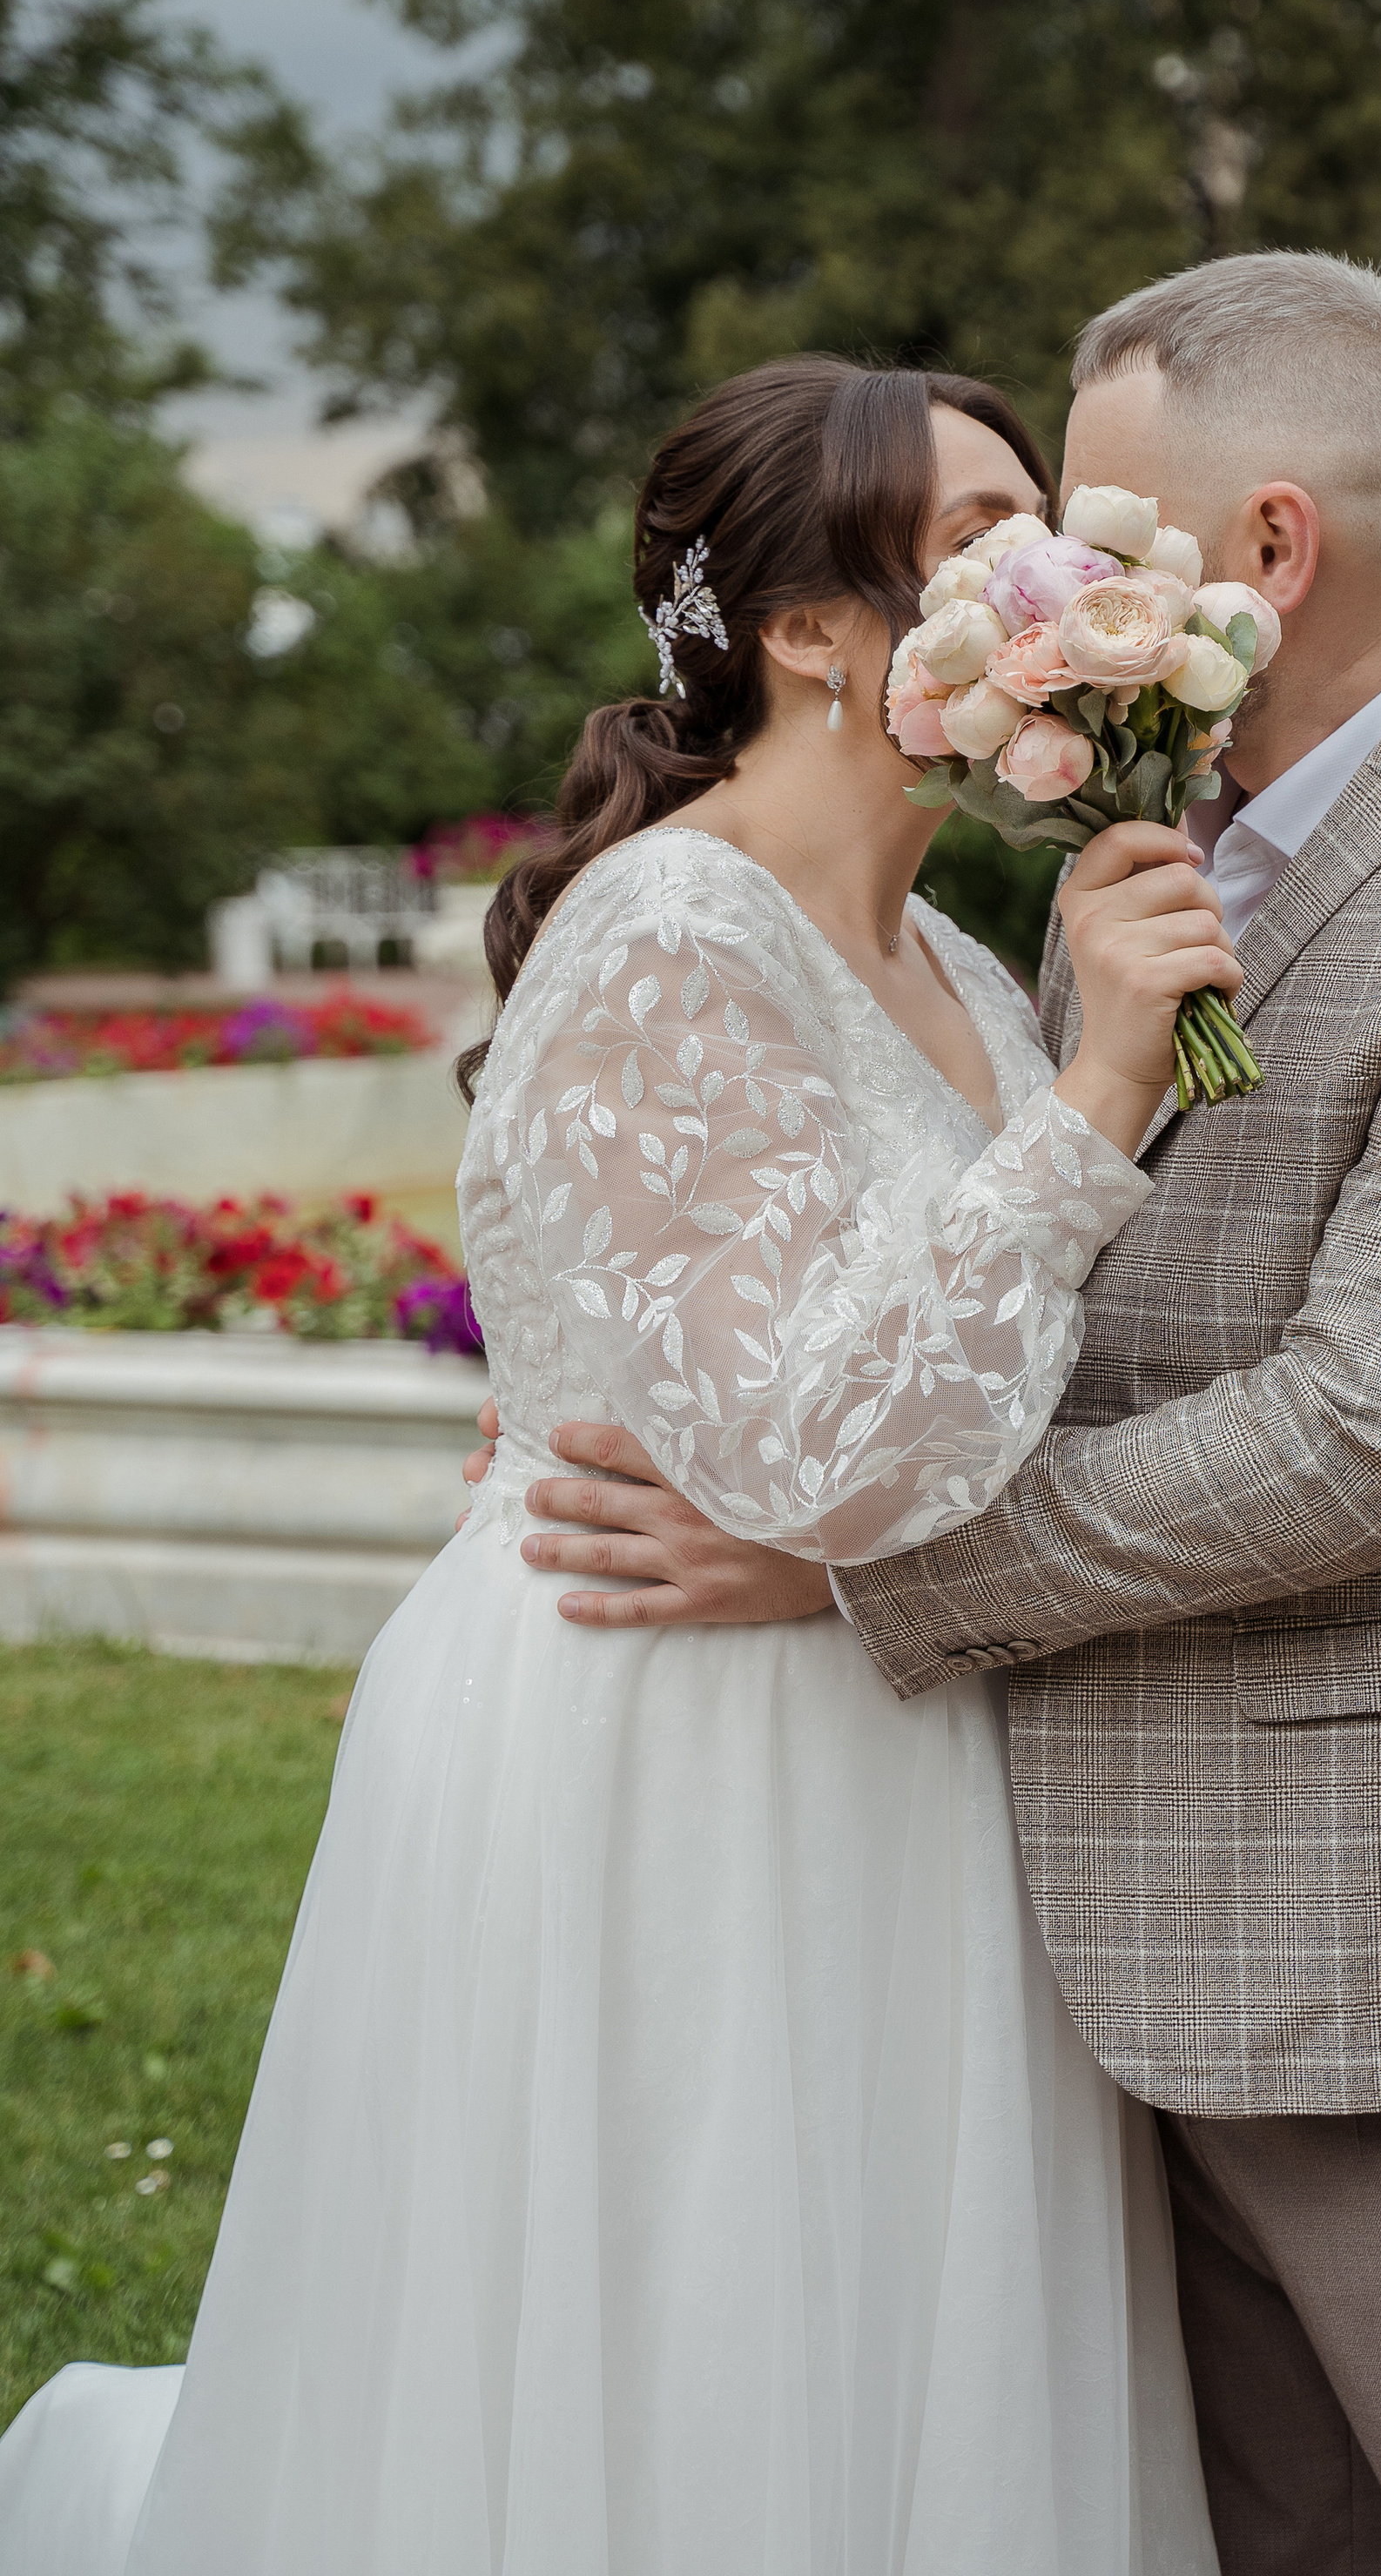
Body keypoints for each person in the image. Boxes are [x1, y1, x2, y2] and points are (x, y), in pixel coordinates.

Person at [495, 252, 1381, 2576]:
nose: (1046, 581)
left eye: (1088, 527)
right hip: (1057, 1942)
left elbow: (1355, 1442)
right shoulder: (1091, 874)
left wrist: (840, 1569)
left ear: (1265, 549)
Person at [0, 357, 1230, 2576]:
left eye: (1045, 528)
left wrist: (1080, 1074)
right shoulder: (671, 931)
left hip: (883, 1729)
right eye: (980, 538)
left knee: (886, 2344)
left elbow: (954, 1392)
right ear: (813, 630)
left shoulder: (963, 960)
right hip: (666, 1740)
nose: (1046, 573)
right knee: (685, 2340)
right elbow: (809, 1454)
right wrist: (1104, 1098)